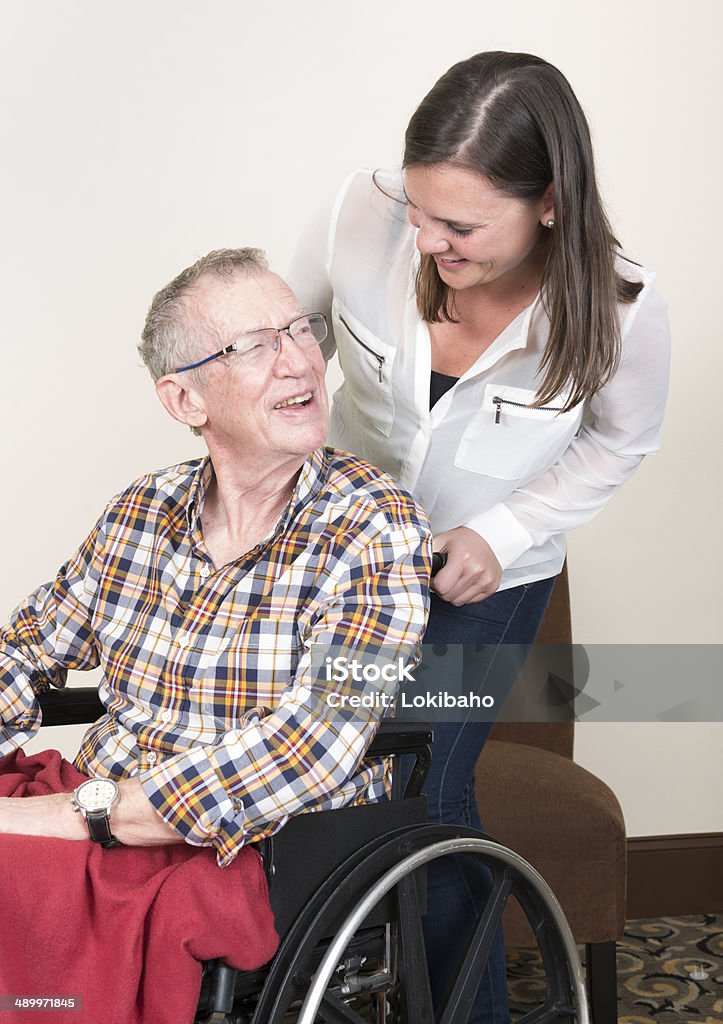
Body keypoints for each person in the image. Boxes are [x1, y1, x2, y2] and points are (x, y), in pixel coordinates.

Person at [289, 51, 671, 1022]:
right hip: (337, 556)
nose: (426, 240)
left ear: (548, 202)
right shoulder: (358, 216)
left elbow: (619, 441)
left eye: (459, 225)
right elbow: (289, 350)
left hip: (487, 584)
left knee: (425, 784)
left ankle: (458, 1009)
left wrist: (501, 530)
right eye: (418, 210)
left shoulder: (621, 308)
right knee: (311, 770)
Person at [0, 247, 432, 860]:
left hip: (251, 845)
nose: (299, 362)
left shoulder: (375, 524)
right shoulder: (141, 511)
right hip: (99, 816)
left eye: (300, 330)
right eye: (256, 345)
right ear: (185, 401)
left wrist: (85, 815)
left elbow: (313, 743)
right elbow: (23, 648)